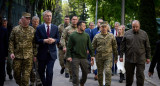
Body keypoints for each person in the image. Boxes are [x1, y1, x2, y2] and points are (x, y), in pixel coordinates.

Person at [120, 20, 151, 86]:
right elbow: (122, 45)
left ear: (139, 26)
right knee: (129, 75)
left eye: (137, 27)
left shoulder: (144, 34)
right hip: (129, 58)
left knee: (140, 75)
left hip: (140, 58)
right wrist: (121, 56)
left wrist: (148, 57)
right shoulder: (127, 33)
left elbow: (147, 46)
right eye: (133, 27)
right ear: (131, 26)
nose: (135, 28)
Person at [9, 12, 36, 86]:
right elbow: (11, 41)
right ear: (22, 19)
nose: (28, 20)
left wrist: (35, 55)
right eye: (26, 18)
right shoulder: (15, 29)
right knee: (16, 75)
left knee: (25, 78)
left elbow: (34, 44)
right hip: (17, 56)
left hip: (28, 57)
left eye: (29, 19)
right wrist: (11, 52)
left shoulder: (32, 30)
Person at [35, 10, 59, 86]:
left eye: (50, 16)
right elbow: (36, 40)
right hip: (42, 54)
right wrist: (44, 40)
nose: (49, 17)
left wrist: (54, 40)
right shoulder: (39, 28)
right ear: (43, 17)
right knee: (41, 71)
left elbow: (58, 39)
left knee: (49, 72)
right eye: (47, 16)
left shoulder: (55, 27)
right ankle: (45, 84)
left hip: (51, 54)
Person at [66, 21, 94, 86]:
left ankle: (82, 82)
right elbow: (69, 47)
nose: (85, 27)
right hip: (75, 57)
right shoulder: (72, 35)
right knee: (75, 74)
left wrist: (92, 55)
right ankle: (76, 84)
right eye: (83, 26)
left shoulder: (86, 35)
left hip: (84, 57)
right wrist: (69, 56)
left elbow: (90, 46)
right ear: (79, 26)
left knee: (85, 73)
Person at [92, 22, 118, 86]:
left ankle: (107, 85)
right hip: (99, 57)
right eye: (102, 27)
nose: (104, 28)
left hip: (108, 57)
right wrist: (92, 57)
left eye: (105, 27)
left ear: (107, 28)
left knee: (108, 71)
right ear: (100, 28)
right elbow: (92, 47)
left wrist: (116, 57)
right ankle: (100, 84)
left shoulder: (111, 36)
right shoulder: (97, 36)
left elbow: (115, 47)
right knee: (100, 73)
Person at [60, 16, 78, 81]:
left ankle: (74, 77)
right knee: (70, 63)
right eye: (73, 19)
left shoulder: (80, 28)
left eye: (76, 19)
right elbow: (62, 38)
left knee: (76, 64)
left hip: (78, 50)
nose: (74, 21)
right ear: (71, 20)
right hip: (69, 49)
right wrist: (64, 47)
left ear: (77, 20)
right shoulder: (67, 29)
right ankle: (71, 76)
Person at [30, 16, 41, 86]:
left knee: (38, 66)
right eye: (34, 21)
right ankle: (32, 81)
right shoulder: (28, 28)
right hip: (29, 50)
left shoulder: (41, 29)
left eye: (37, 21)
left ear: (39, 22)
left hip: (38, 50)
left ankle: (38, 81)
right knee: (30, 67)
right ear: (32, 21)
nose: (35, 23)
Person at [0, 15, 8, 86]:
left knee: (2, 70)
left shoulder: (4, 30)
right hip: (2, 53)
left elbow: (6, 43)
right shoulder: (4, 30)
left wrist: (6, 54)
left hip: (1, 54)